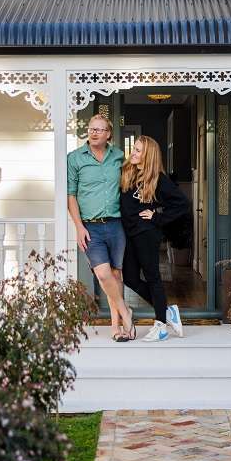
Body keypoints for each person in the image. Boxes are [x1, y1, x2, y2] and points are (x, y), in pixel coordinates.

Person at [67, 114, 134, 341]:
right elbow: (71, 196)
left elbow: (134, 182)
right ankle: (126, 312)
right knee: (104, 275)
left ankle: (117, 327)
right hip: (90, 227)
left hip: (115, 224)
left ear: (108, 134)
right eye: (91, 128)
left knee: (116, 275)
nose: (93, 132)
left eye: (99, 129)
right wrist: (78, 226)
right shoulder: (75, 158)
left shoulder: (119, 157)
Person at [120, 135, 189, 342]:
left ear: (148, 155)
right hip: (129, 234)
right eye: (134, 148)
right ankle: (168, 312)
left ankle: (161, 326)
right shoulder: (127, 173)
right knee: (130, 278)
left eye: (139, 150)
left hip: (146, 233)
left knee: (153, 277)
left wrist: (157, 217)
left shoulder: (159, 179)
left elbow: (182, 204)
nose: (133, 152)